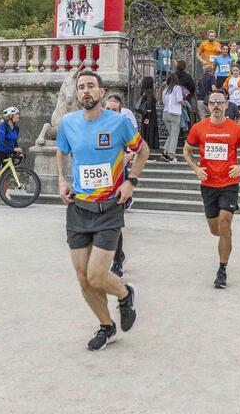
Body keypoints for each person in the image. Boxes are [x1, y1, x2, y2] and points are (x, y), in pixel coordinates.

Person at [55, 70, 147, 351]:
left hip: (109, 208)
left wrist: (130, 181)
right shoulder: (68, 123)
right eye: (81, 87)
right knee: (83, 278)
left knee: (96, 276)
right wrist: (61, 179)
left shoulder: (119, 123)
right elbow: (62, 151)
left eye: (90, 86)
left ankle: (124, 293)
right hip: (78, 208)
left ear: (101, 91)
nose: (85, 91)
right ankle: (106, 326)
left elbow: (142, 151)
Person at [183, 91, 240, 289]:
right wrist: (196, 168)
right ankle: (224, 236)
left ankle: (222, 269)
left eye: (220, 102)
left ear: (226, 104)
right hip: (208, 185)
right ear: (208, 105)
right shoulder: (199, 128)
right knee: (216, 230)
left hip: (229, 183)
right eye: (212, 102)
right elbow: (186, 151)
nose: (216, 105)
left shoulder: (236, 129)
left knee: (225, 223)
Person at [105, 94, 136, 278]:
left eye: (114, 110)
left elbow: (140, 149)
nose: (110, 113)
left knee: (114, 224)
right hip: (97, 184)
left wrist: (130, 180)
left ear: (120, 112)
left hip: (117, 183)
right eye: (107, 109)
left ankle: (117, 261)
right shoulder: (92, 126)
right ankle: (119, 255)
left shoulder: (124, 128)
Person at [161, 72, 184, 162]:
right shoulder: (177, 88)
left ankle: (164, 151)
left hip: (165, 113)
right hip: (174, 113)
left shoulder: (165, 90)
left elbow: (163, 102)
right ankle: (171, 155)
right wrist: (184, 103)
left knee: (171, 134)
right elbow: (180, 100)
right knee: (174, 135)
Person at [137, 76, 159, 156]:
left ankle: (144, 149)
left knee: (145, 130)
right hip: (150, 115)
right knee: (150, 130)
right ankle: (148, 151)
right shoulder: (150, 92)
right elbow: (149, 104)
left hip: (144, 114)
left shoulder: (143, 91)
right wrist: (149, 116)